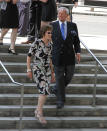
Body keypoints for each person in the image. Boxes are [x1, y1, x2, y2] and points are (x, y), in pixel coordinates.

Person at [51, 7, 81, 109]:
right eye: (59, 14)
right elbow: (46, 38)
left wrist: (78, 52)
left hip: (69, 56)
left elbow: (76, 41)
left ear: (67, 15)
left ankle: (56, 88)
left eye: (62, 14)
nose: (60, 16)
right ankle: (61, 100)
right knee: (59, 78)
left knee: (69, 76)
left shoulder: (73, 26)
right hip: (57, 56)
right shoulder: (52, 25)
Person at [27, 25, 55, 124]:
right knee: (44, 90)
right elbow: (29, 56)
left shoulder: (51, 45)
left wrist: (52, 72)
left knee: (45, 91)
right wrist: (28, 70)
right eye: (49, 33)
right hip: (37, 68)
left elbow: (50, 59)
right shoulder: (37, 43)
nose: (50, 34)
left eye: (51, 33)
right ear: (44, 33)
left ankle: (37, 110)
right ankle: (39, 112)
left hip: (47, 70)